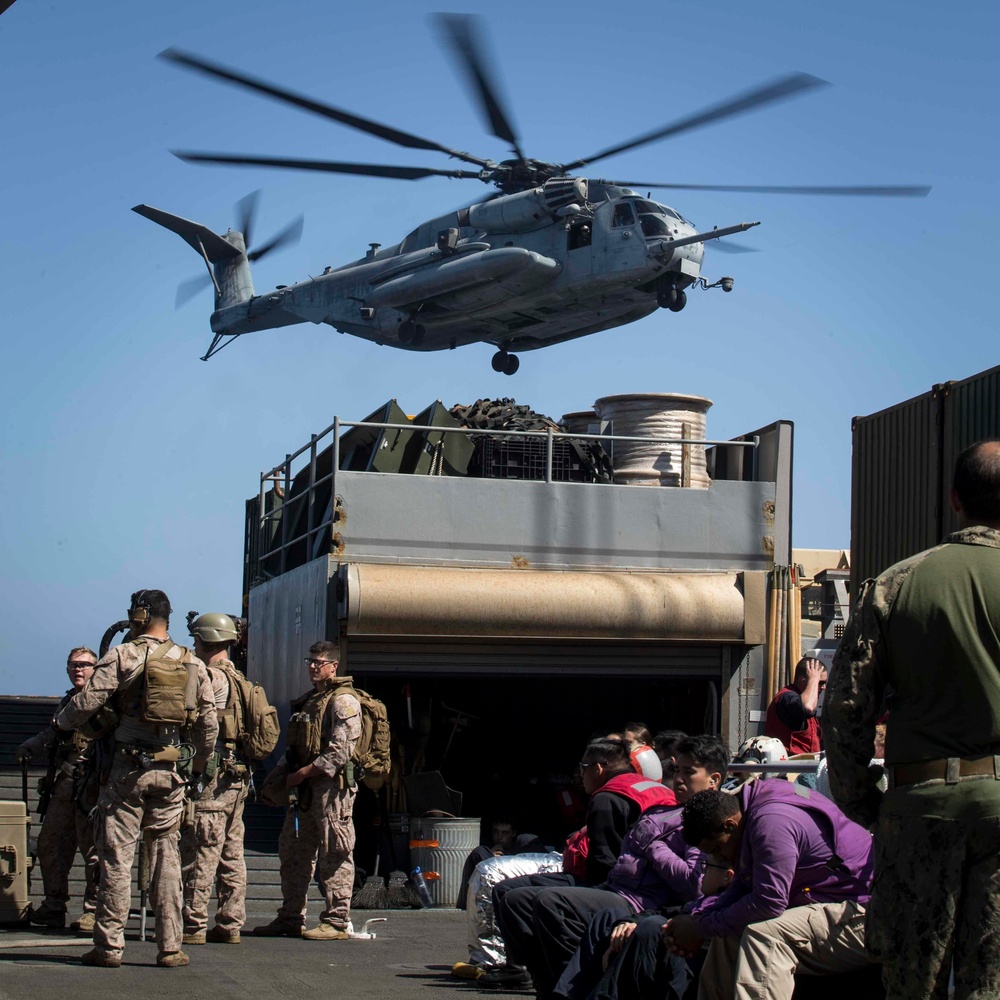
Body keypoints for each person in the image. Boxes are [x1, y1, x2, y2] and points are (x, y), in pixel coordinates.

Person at [824, 438, 1000, 1000]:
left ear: (954, 499)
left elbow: (847, 710)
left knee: (910, 980)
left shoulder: (897, 584)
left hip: (921, 806)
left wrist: (867, 804)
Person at [52, 589, 218, 969]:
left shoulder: (124, 654)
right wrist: (195, 769)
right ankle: (171, 946)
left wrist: (61, 723)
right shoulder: (192, 661)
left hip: (128, 770)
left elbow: (90, 700)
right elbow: (209, 725)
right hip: (171, 771)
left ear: (140, 615)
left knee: (116, 856)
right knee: (167, 857)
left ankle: (109, 947)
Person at [548, 734, 730, 1000]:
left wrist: (653, 847)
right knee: (602, 918)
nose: (679, 778)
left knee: (554, 903)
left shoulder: (707, 822)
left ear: (714, 780)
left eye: (688, 772)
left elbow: (695, 885)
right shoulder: (664, 809)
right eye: (677, 770)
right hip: (624, 892)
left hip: (654, 902)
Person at [487, 737, 675, 991]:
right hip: (644, 881)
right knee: (512, 892)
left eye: (582, 768)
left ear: (598, 769)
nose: (579, 776)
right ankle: (531, 971)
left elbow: (603, 864)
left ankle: (548, 976)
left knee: (511, 894)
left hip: (623, 888)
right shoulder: (655, 788)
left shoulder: (606, 798)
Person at [663, 782, 875, 1000]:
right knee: (727, 933)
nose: (719, 858)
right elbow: (747, 887)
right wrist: (700, 920)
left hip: (867, 916)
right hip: (832, 904)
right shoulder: (751, 809)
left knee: (765, 935)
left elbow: (768, 902)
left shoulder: (771, 823)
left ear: (730, 825)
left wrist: (700, 928)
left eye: (717, 848)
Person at [254, 640, 361, 940]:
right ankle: (290, 916)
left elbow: (340, 752)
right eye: (310, 661)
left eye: (320, 662)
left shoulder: (344, 701)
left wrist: (302, 774)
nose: (313, 666)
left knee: (335, 852)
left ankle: (337, 920)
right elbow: (296, 748)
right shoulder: (312, 701)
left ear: (333, 666)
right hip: (305, 792)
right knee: (294, 851)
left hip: (332, 791)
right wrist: (279, 778)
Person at [15, 647, 101, 933]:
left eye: (85, 665)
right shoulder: (68, 702)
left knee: (94, 851)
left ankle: (94, 910)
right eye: (74, 665)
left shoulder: (104, 702)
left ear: (96, 669)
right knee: (49, 845)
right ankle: (54, 905)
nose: (79, 669)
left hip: (92, 786)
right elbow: (53, 733)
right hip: (64, 783)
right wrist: (31, 747)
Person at [180, 613, 252, 945]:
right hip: (237, 778)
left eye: (196, 641)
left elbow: (198, 722)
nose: (193, 646)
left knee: (201, 850)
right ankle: (229, 922)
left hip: (213, 777)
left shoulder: (210, 677)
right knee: (231, 853)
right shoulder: (239, 678)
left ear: (207, 642)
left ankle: (193, 924)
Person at [764, 656, 827, 754]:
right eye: (820, 682)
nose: (823, 687)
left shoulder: (804, 699)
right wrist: (814, 679)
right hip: (789, 766)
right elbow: (807, 707)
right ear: (803, 679)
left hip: (809, 766)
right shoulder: (786, 697)